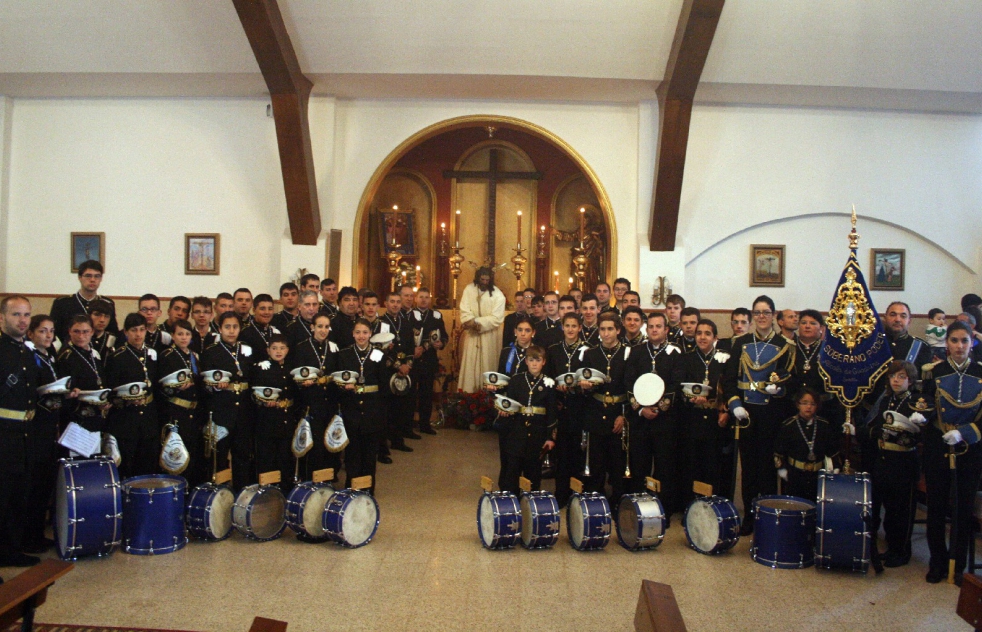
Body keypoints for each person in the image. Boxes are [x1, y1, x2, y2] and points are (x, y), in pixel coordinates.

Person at [723, 295, 797, 534]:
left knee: (768, 467)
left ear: (775, 316)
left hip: (771, 414)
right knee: (749, 467)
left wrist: (781, 389)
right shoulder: (741, 343)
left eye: (766, 312)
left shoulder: (786, 346)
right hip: (746, 414)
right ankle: (749, 516)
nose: (762, 317)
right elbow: (729, 379)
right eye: (757, 313)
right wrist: (734, 404)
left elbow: (790, 381)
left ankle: (767, 514)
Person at [920, 322, 982, 585]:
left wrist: (964, 433)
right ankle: (937, 561)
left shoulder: (980, 373)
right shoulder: (933, 372)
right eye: (954, 341)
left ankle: (958, 564)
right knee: (936, 506)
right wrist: (922, 416)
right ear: (947, 343)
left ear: (972, 343)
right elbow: (924, 403)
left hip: (969, 447)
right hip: (938, 445)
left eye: (964, 341)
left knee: (963, 508)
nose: (959, 346)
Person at [866, 361, 929, 568]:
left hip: (903, 462)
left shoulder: (915, 402)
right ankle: (890, 547)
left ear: (910, 380)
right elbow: (876, 426)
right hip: (884, 458)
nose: (896, 380)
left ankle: (900, 551)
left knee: (901, 510)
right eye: (893, 376)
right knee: (886, 507)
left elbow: (916, 433)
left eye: (901, 376)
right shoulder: (887, 401)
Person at [623, 312, 682, 512]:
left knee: (664, 466)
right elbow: (629, 383)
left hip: (665, 420)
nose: (654, 330)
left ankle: (662, 508)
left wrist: (659, 408)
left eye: (659, 326)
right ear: (646, 330)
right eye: (651, 327)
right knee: (640, 465)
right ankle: (639, 508)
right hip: (640, 420)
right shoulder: (637, 352)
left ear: (666, 330)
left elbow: (676, 384)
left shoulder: (675, 353)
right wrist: (641, 409)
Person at [0, 295, 40, 567]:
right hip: (3, 433)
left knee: (17, 496)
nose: (23, 320)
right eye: (16, 315)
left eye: (26, 315)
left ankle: (11, 551)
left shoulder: (27, 351)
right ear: (2, 317)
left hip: (25, 433)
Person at [577, 312, 631, 508]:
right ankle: (596, 501)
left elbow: (630, 388)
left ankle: (618, 501)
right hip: (596, 413)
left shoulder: (627, 353)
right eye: (602, 329)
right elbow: (583, 387)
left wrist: (623, 415)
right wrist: (584, 387)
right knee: (596, 461)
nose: (606, 333)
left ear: (618, 330)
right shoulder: (590, 354)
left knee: (618, 462)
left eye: (610, 329)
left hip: (618, 413)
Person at [675, 319, 729, 508]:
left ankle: (711, 505)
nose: (702, 337)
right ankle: (692, 508)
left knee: (712, 464)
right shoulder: (686, 358)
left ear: (715, 337)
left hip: (715, 420)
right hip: (692, 419)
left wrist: (725, 410)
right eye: (699, 333)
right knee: (691, 464)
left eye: (707, 333)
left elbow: (728, 388)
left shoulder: (723, 359)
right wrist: (689, 398)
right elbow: (680, 385)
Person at [200, 312, 255, 492]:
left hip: (244, 409)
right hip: (222, 408)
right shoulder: (211, 351)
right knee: (220, 453)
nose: (231, 331)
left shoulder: (246, 349)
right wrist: (216, 386)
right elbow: (205, 383)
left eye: (235, 327)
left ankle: (242, 491)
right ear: (220, 328)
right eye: (227, 327)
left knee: (242, 453)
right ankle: (220, 492)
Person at [24, 315, 65, 554]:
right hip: (36, 427)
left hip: (51, 424)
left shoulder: (49, 356)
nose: (48, 336)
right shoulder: (30, 358)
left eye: (51, 331)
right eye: (42, 331)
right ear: (31, 334)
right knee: (35, 485)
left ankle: (37, 534)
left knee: (44, 486)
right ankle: (28, 537)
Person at [336, 319, 391, 495]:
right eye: (358, 332)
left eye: (365, 332)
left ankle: (368, 491)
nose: (361, 336)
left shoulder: (378, 355)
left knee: (369, 456)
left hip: (372, 412)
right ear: (353, 334)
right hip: (351, 410)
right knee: (353, 455)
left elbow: (383, 387)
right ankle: (351, 491)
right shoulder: (344, 355)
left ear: (370, 334)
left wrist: (381, 414)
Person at [105, 313, 159, 479]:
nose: (138, 334)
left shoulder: (152, 354)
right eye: (134, 330)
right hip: (126, 419)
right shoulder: (118, 357)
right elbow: (110, 391)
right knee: (127, 467)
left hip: (148, 418)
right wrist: (125, 401)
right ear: (126, 332)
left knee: (148, 465)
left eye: (142, 330)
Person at [495, 346, 556, 494]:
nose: (534, 364)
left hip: (537, 434)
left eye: (538, 360)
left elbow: (552, 413)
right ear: (526, 362)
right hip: (517, 432)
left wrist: (550, 437)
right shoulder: (517, 380)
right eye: (531, 360)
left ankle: (531, 503)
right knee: (512, 470)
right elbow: (509, 404)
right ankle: (511, 502)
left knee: (533, 472)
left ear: (544, 362)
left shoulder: (548, 383)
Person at [158, 318, 206, 488]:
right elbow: (161, 387)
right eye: (180, 334)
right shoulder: (167, 356)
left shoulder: (194, 356)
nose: (184, 338)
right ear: (173, 335)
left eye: (187, 334)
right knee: (177, 455)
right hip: (176, 411)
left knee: (193, 455)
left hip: (194, 412)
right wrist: (176, 389)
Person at [291, 313, 340, 481]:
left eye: (327, 327)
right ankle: (310, 480)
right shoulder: (302, 348)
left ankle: (326, 479)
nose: (323, 330)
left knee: (329, 442)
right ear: (312, 327)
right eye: (320, 326)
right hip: (311, 402)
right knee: (314, 445)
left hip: (329, 402)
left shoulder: (333, 347)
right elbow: (296, 376)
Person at [547, 312, 587, 507]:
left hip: (580, 407)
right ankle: (561, 492)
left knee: (579, 451)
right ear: (562, 327)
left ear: (580, 328)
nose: (570, 329)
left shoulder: (588, 350)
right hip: (561, 407)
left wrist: (580, 387)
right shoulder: (554, 350)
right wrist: (557, 387)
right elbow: (548, 378)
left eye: (574, 326)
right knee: (562, 453)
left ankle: (577, 491)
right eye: (567, 326)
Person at [773, 387, 840, 503]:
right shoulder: (789, 426)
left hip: (817, 477)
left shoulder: (823, 425)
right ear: (798, 405)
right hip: (795, 476)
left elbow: (833, 450)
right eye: (804, 403)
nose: (808, 407)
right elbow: (778, 452)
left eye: (812, 404)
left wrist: (836, 467)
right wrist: (782, 469)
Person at [251, 335, 295, 491]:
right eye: (274, 348)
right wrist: (264, 402)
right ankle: (267, 491)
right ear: (268, 350)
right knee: (267, 457)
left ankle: (285, 490)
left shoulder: (291, 369)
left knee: (285, 457)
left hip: (287, 419)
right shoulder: (262, 368)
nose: (278, 351)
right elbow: (254, 394)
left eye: (282, 348)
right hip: (268, 420)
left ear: (287, 350)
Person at [57, 315, 111, 433]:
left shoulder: (94, 354)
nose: (81, 336)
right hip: (76, 418)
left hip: (96, 416)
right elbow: (64, 392)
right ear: (69, 332)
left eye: (85, 332)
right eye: (76, 331)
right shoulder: (65, 357)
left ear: (92, 332)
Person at [458, 267, 506, 393]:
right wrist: (470, 321)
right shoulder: (469, 290)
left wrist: (477, 323)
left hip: (489, 336)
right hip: (472, 335)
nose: (484, 282)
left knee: (487, 364)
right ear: (478, 278)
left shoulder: (498, 295)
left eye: (487, 280)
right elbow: (464, 309)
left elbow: (497, 318)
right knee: (470, 366)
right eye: (482, 279)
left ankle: (487, 398)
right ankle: (467, 396)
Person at [50, 260, 118, 344]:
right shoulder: (63, 303)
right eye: (88, 276)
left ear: (101, 279)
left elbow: (113, 332)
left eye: (97, 276)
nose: (92, 280)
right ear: (80, 277)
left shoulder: (107, 303)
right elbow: (54, 332)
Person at [381, 292, 416, 448]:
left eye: (397, 302)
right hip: (388, 371)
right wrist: (397, 365)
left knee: (401, 408)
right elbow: (381, 351)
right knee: (387, 408)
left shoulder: (405, 322)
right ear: (386, 304)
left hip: (404, 371)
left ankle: (398, 440)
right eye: (392, 301)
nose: (395, 305)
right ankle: (384, 441)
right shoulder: (381, 323)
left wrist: (407, 365)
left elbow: (410, 347)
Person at [410, 288, 446, 435]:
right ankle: (409, 423)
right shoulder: (409, 315)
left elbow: (443, 335)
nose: (424, 300)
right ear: (416, 299)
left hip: (429, 359)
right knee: (411, 393)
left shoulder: (436, 315)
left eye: (426, 297)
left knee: (426, 393)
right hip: (414, 359)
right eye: (421, 297)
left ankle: (425, 424)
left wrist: (441, 343)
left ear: (430, 299)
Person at [239, 293, 280, 363]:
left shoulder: (275, 332)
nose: (267, 312)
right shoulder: (245, 333)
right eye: (262, 309)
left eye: (270, 309)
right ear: (254, 310)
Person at [88, 299, 117, 365]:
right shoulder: (82, 338)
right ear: (89, 315)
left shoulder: (113, 339)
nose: (102, 320)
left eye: (106, 316)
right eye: (97, 315)